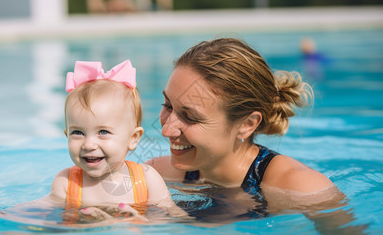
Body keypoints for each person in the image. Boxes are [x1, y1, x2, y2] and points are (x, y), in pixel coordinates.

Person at [146, 38, 345, 216]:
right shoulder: (157, 175)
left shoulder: (302, 189)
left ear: (246, 124)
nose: (166, 130)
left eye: (190, 117)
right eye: (168, 106)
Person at [15, 60, 185, 224]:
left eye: (103, 132)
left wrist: (140, 222)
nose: (88, 144)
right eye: (78, 133)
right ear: (66, 135)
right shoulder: (67, 182)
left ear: (133, 139)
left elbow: (171, 218)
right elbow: (44, 211)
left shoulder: (147, 179)